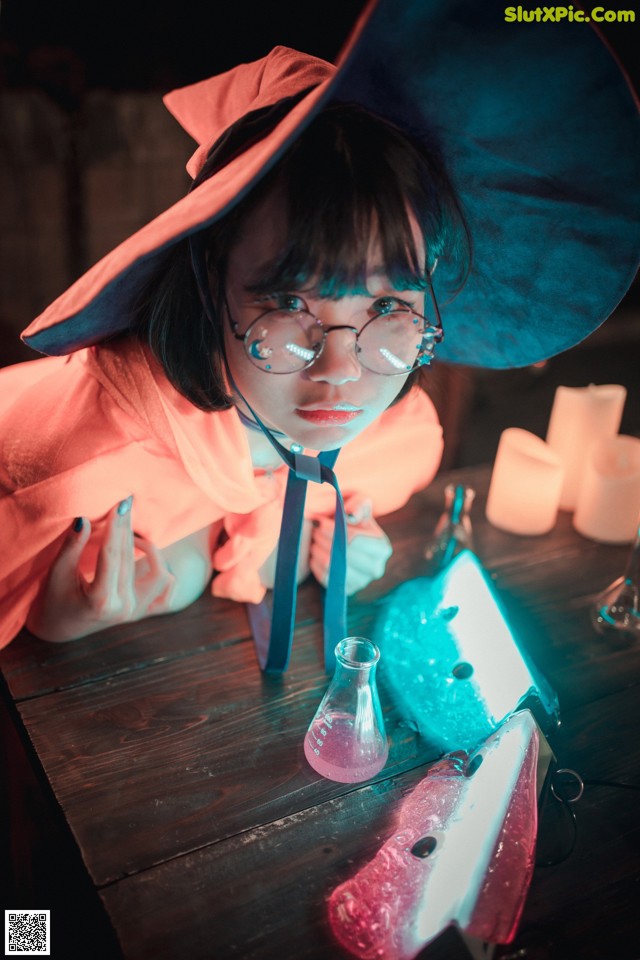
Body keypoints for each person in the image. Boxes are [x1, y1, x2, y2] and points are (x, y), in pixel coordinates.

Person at [1, 0, 638, 667]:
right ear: (207, 281)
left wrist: (330, 540)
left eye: (388, 303)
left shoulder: (389, 434)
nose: (339, 371)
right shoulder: (71, 468)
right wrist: (50, 616)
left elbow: (370, 465)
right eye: (286, 302)